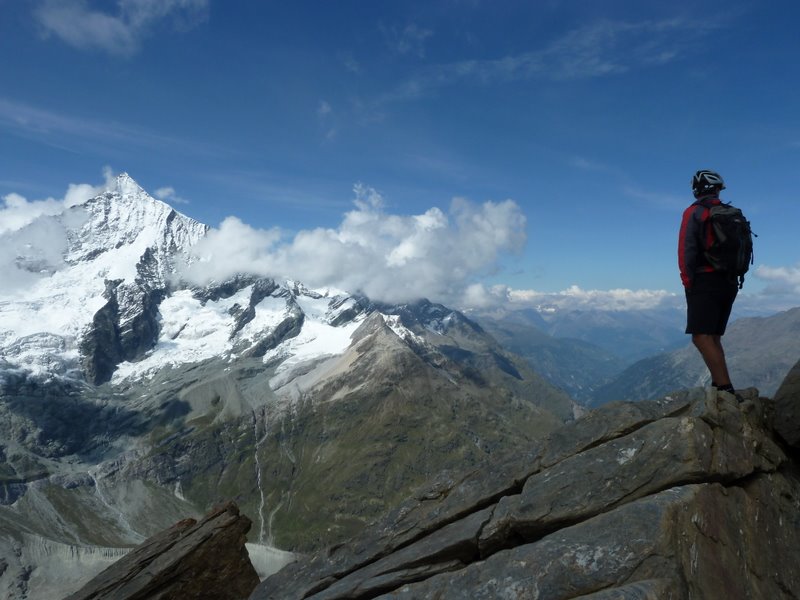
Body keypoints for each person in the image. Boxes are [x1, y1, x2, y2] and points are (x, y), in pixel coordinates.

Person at [678, 169, 739, 395]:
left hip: (705, 280)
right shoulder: (730, 212)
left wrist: (688, 282)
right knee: (712, 336)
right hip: (730, 282)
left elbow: (686, 250)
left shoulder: (694, 212)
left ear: (696, 190)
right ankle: (720, 384)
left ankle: (724, 389)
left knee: (701, 337)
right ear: (718, 189)